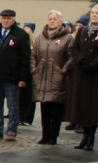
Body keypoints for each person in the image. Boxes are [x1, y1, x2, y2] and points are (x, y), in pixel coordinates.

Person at [65, 4, 98, 151]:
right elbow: (73, 48)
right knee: (82, 105)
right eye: (93, 12)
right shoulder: (82, 30)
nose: (94, 15)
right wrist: (81, 60)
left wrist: (93, 64)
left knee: (94, 107)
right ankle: (84, 136)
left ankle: (91, 137)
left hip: (96, 73)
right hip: (81, 72)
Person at [0, 9, 30, 141]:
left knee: (13, 105)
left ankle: (11, 131)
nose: (6, 20)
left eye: (8, 18)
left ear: (13, 20)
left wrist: (23, 78)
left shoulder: (20, 35)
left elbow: (25, 58)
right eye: (4, 18)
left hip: (12, 78)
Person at [29, 11, 73, 145]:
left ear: (61, 22)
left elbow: (71, 57)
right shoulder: (40, 38)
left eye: (55, 19)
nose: (52, 21)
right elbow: (33, 56)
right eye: (50, 19)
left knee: (56, 109)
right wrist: (34, 70)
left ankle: (54, 135)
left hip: (57, 78)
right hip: (42, 77)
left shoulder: (67, 38)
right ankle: (45, 135)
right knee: (45, 109)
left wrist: (63, 71)